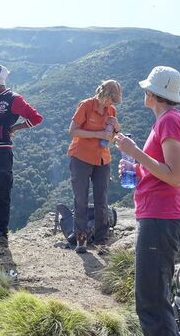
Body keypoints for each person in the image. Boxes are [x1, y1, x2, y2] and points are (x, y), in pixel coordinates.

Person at [115, 66, 180, 336]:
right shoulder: (166, 120)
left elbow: (174, 175)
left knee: (151, 302)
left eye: (147, 89)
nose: (144, 92)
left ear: (154, 94)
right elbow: (161, 170)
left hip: (161, 216)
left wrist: (134, 152)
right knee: (153, 296)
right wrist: (136, 169)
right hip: (156, 214)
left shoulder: (169, 121)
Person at [0, 64, 43, 246]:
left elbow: (36, 117)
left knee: (2, 191)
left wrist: (16, 127)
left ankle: (0, 232)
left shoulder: (14, 99)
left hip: (2, 151)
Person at [67, 80, 122, 253]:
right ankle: (81, 238)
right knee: (81, 198)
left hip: (102, 159)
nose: (113, 103)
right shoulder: (86, 105)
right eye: (112, 99)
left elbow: (112, 137)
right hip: (81, 157)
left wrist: (116, 129)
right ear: (104, 95)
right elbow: (73, 131)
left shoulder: (111, 110)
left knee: (102, 200)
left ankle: (101, 240)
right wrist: (97, 134)